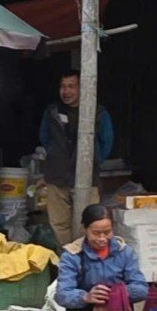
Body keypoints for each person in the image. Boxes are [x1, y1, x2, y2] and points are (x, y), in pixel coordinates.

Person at [40, 70, 114, 247]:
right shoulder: (52, 112)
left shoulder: (98, 112)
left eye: (71, 86)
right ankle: (66, 257)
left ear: (83, 88)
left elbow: (107, 142)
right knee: (59, 223)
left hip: (87, 177)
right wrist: (57, 155)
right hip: (57, 176)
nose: (66, 91)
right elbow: (44, 137)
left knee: (88, 222)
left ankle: (85, 257)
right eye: (63, 86)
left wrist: (94, 161)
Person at [54, 204, 148, 311]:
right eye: (96, 233)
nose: (102, 238)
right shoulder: (72, 255)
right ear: (85, 229)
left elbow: (142, 288)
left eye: (107, 232)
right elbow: (62, 294)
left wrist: (119, 292)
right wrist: (86, 297)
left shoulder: (124, 252)